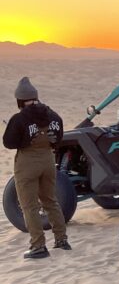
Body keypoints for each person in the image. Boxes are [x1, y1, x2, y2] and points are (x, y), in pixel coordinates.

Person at [2, 78, 70, 259]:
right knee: (50, 200)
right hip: (48, 160)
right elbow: (59, 136)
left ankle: (38, 245)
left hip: (27, 163)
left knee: (29, 206)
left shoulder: (19, 118)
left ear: (20, 100)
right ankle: (61, 239)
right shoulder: (53, 115)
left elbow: (8, 142)